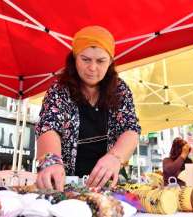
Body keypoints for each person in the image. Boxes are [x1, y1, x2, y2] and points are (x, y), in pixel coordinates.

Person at [35, 26, 141, 191]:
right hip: (65, 185)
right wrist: (51, 161)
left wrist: (115, 157)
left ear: (110, 62)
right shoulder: (59, 89)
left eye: (100, 61)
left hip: (109, 185)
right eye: (85, 59)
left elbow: (131, 129)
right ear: (75, 58)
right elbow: (48, 127)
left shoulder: (121, 90)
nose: (92, 68)